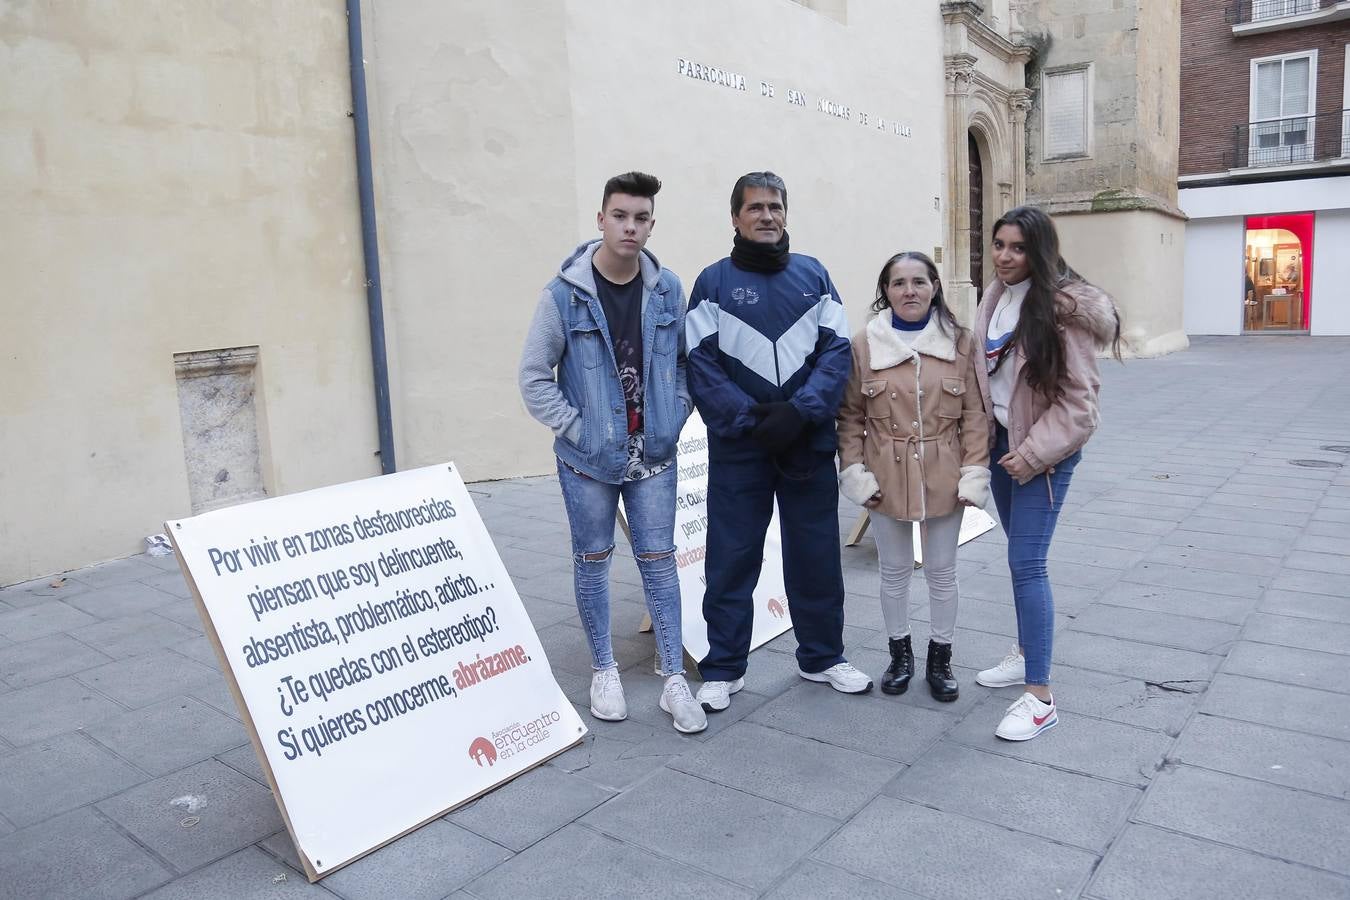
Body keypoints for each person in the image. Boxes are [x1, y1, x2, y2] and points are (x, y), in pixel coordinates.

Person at [518, 171, 706, 734]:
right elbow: (534, 377)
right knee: (593, 559)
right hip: (587, 460)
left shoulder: (669, 288)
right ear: (601, 219)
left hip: (653, 453)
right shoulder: (564, 294)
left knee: (658, 560)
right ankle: (605, 668)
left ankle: (673, 676)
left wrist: (672, 415)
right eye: (620, 216)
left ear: (652, 223)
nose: (631, 227)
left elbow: (684, 364)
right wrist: (577, 428)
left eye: (641, 218)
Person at [685, 170, 871, 713]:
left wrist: (799, 414)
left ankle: (822, 657)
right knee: (731, 556)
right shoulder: (712, 282)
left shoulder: (815, 275)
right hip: (739, 447)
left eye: (775, 207)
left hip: (805, 446)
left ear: (786, 214)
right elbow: (701, 364)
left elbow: (838, 354)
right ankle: (723, 668)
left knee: (814, 555)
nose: (767, 216)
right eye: (755, 208)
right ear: (736, 218)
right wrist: (752, 422)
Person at [972, 206, 1121, 741]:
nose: (1005, 257)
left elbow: (1081, 405)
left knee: (1026, 564)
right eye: (998, 244)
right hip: (1002, 448)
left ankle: (1040, 696)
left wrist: (1033, 453)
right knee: (1020, 558)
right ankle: (1025, 650)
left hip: (1042, 455)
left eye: (1017, 248)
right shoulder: (995, 298)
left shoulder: (1061, 309)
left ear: (1040, 252)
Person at [836, 251, 989, 701]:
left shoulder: (960, 342)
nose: (909, 291)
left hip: (945, 470)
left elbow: (976, 415)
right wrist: (855, 472)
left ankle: (940, 659)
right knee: (894, 571)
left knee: (942, 572)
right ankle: (899, 655)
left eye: (919, 281)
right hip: (885, 471)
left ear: (935, 287)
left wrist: (974, 471)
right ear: (885, 291)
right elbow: (850, 417)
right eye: (899, 283)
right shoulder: (865, 344)